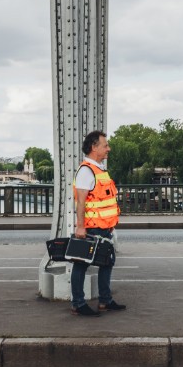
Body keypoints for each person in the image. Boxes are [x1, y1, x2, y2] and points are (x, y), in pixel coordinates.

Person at [70, 130, 126, 317]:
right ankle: (78, 303)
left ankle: (105, 300)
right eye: (105, 145)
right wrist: (80, 226)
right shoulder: (86, 171)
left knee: (107, 262)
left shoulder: (99, 169)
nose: (108, 148)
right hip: (92, 227)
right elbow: (81, 201)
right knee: (81, 264)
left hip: (104, 226)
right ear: (94, 147)